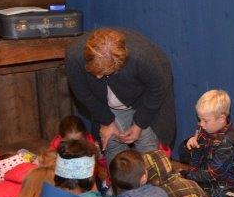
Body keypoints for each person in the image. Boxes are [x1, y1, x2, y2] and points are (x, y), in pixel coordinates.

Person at [64, 27, 176, 164]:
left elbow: (157, 88)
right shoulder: (74, 56)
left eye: (105, 73)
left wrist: (139, 124)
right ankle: (118, 176)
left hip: (143, 96)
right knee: (111, 141)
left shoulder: (141, 56)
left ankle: (151, 176)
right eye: (95, 72)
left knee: (147, 146)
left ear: (120, 64)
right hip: (107, 102)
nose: (98, 77)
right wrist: (106, 121)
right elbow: (83, 94)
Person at [181, 89, 234, 197]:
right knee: (179, 195)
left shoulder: (228, 141)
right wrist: (188, 145)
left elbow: (213, 173)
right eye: (199, 119)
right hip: (203, 179)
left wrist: (188, 176)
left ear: (221, 119)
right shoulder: (206, 129)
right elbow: (186, 158)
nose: (201, 124)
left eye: (205, 120)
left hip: (222, 184)